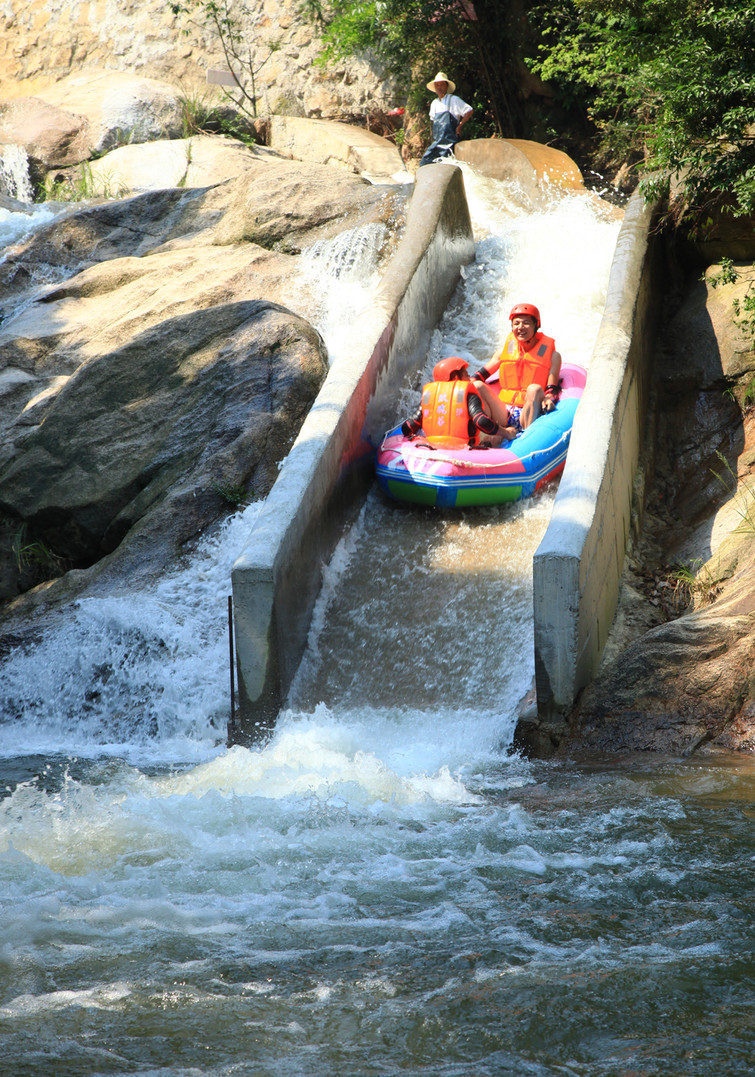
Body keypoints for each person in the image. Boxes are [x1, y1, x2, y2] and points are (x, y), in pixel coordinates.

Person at [471, 303, 562, 431]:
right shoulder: (504, 351)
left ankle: (528, 437)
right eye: (516, 323)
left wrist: (548, 399)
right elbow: (479, 376)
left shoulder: (553, 356)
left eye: (526, 323)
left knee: (534, 389)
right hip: (504, 411)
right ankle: (488, 433)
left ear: (536, 325)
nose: (520, 327)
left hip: (528, 410)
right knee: (477, 386)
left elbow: (552, 389)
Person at [401, 356, 518, 447]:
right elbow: (481, 421)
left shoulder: (430, 398)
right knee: (498, 436)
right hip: (465, 448)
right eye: (466, 374)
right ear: (456, 378)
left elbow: (408, 427)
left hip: (435, 447)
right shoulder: (468, 395)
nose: (469, 378)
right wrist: (506, 433)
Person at [419, 71, 473, 167]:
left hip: (450, 143)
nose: (439, 87)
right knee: (425, 162)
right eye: (437, 85)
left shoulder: (454, 99)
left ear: (446, 86)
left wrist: (460, 126)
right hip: (437, 143)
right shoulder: (434, 103)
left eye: (441, 85)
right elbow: (434, 123)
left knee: (446, 166)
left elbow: (469, 110)